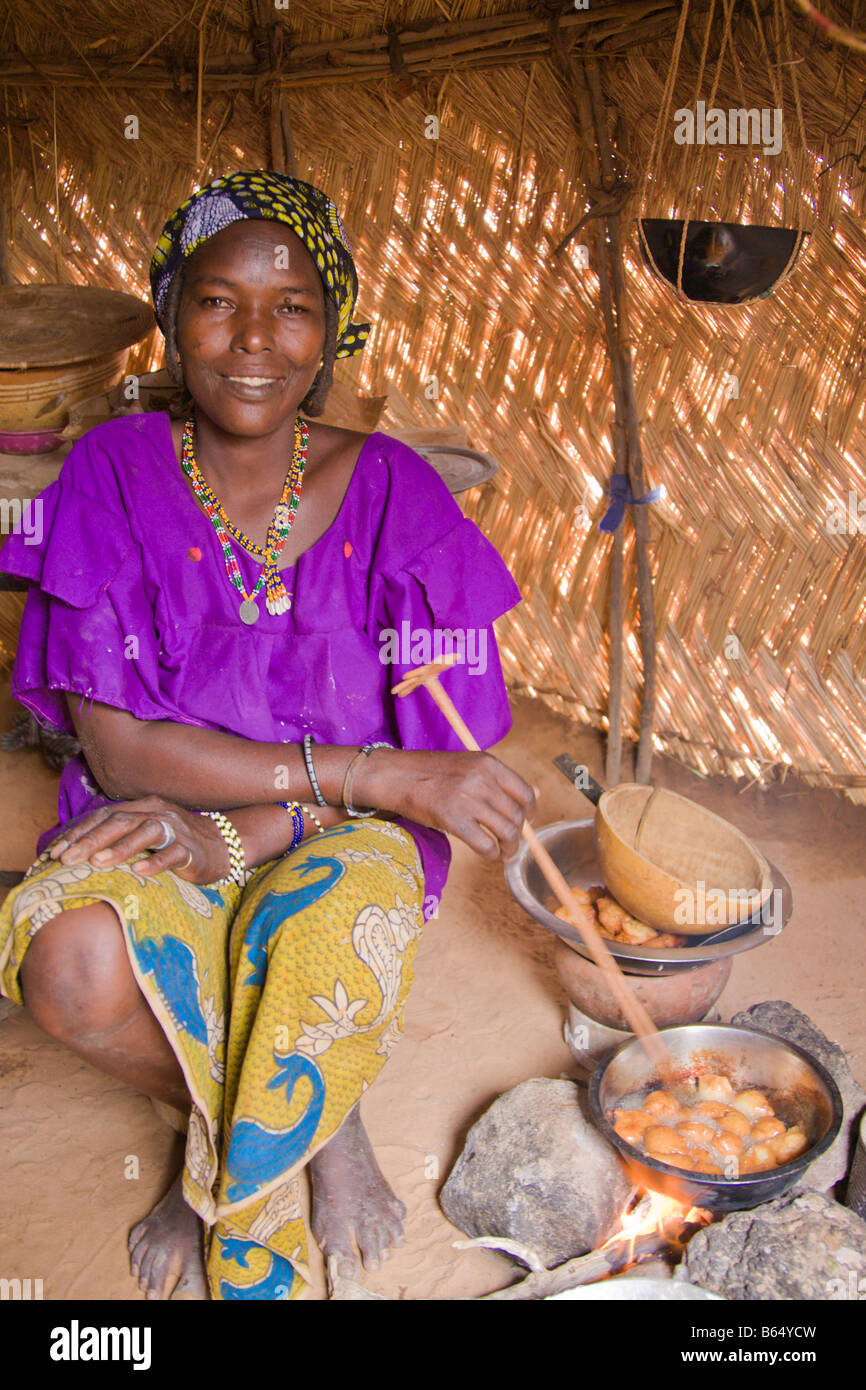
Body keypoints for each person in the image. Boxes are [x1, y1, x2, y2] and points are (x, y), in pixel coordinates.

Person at [0, 170, 535, 1301]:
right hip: (177, 805)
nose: (253, 339)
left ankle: (225, 1169)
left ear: (331, 326)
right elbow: (119, 752)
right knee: (67, 959)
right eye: (215, 300)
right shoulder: (110, 471)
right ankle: (300, 1120)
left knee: (311, 929)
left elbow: (436, 767)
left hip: (346, 835)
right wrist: (356, 770)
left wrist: (248, 831)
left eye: (290, 304)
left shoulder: (394, 491)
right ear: (170, 311)